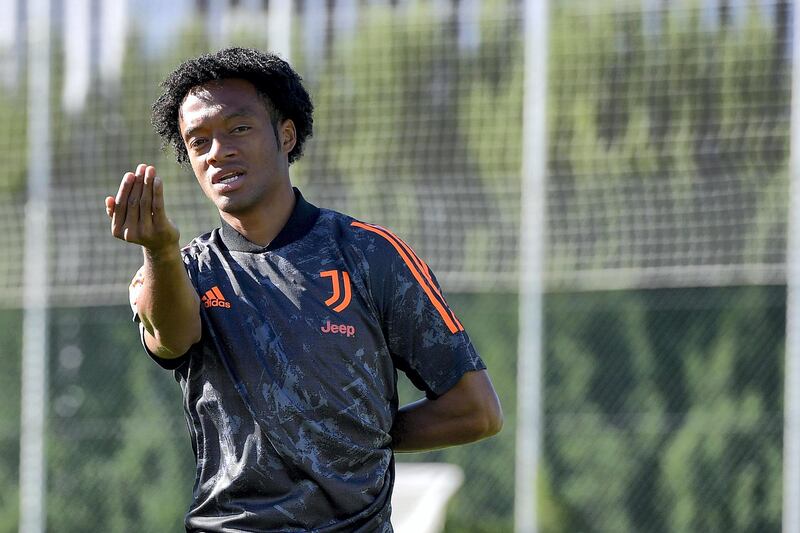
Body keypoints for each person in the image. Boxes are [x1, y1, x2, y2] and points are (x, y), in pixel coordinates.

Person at [104, 47, 502, 532]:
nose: (218, 151)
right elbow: (170, 337)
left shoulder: (370, 255)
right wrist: (161, 250)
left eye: (238, 128)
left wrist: (348, 434)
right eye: (198, 141)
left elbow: (474, 411)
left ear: (286, 135)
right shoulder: (177, 270)